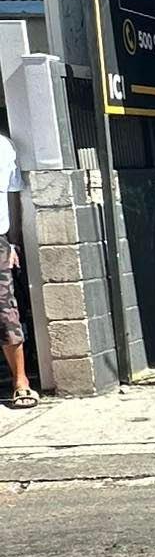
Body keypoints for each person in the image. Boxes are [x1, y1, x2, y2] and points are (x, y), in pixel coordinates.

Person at [1, 131, 34, 407]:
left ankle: (20, 381)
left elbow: (13, 197)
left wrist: (13, 243)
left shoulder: (3, 147)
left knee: (5, 310)